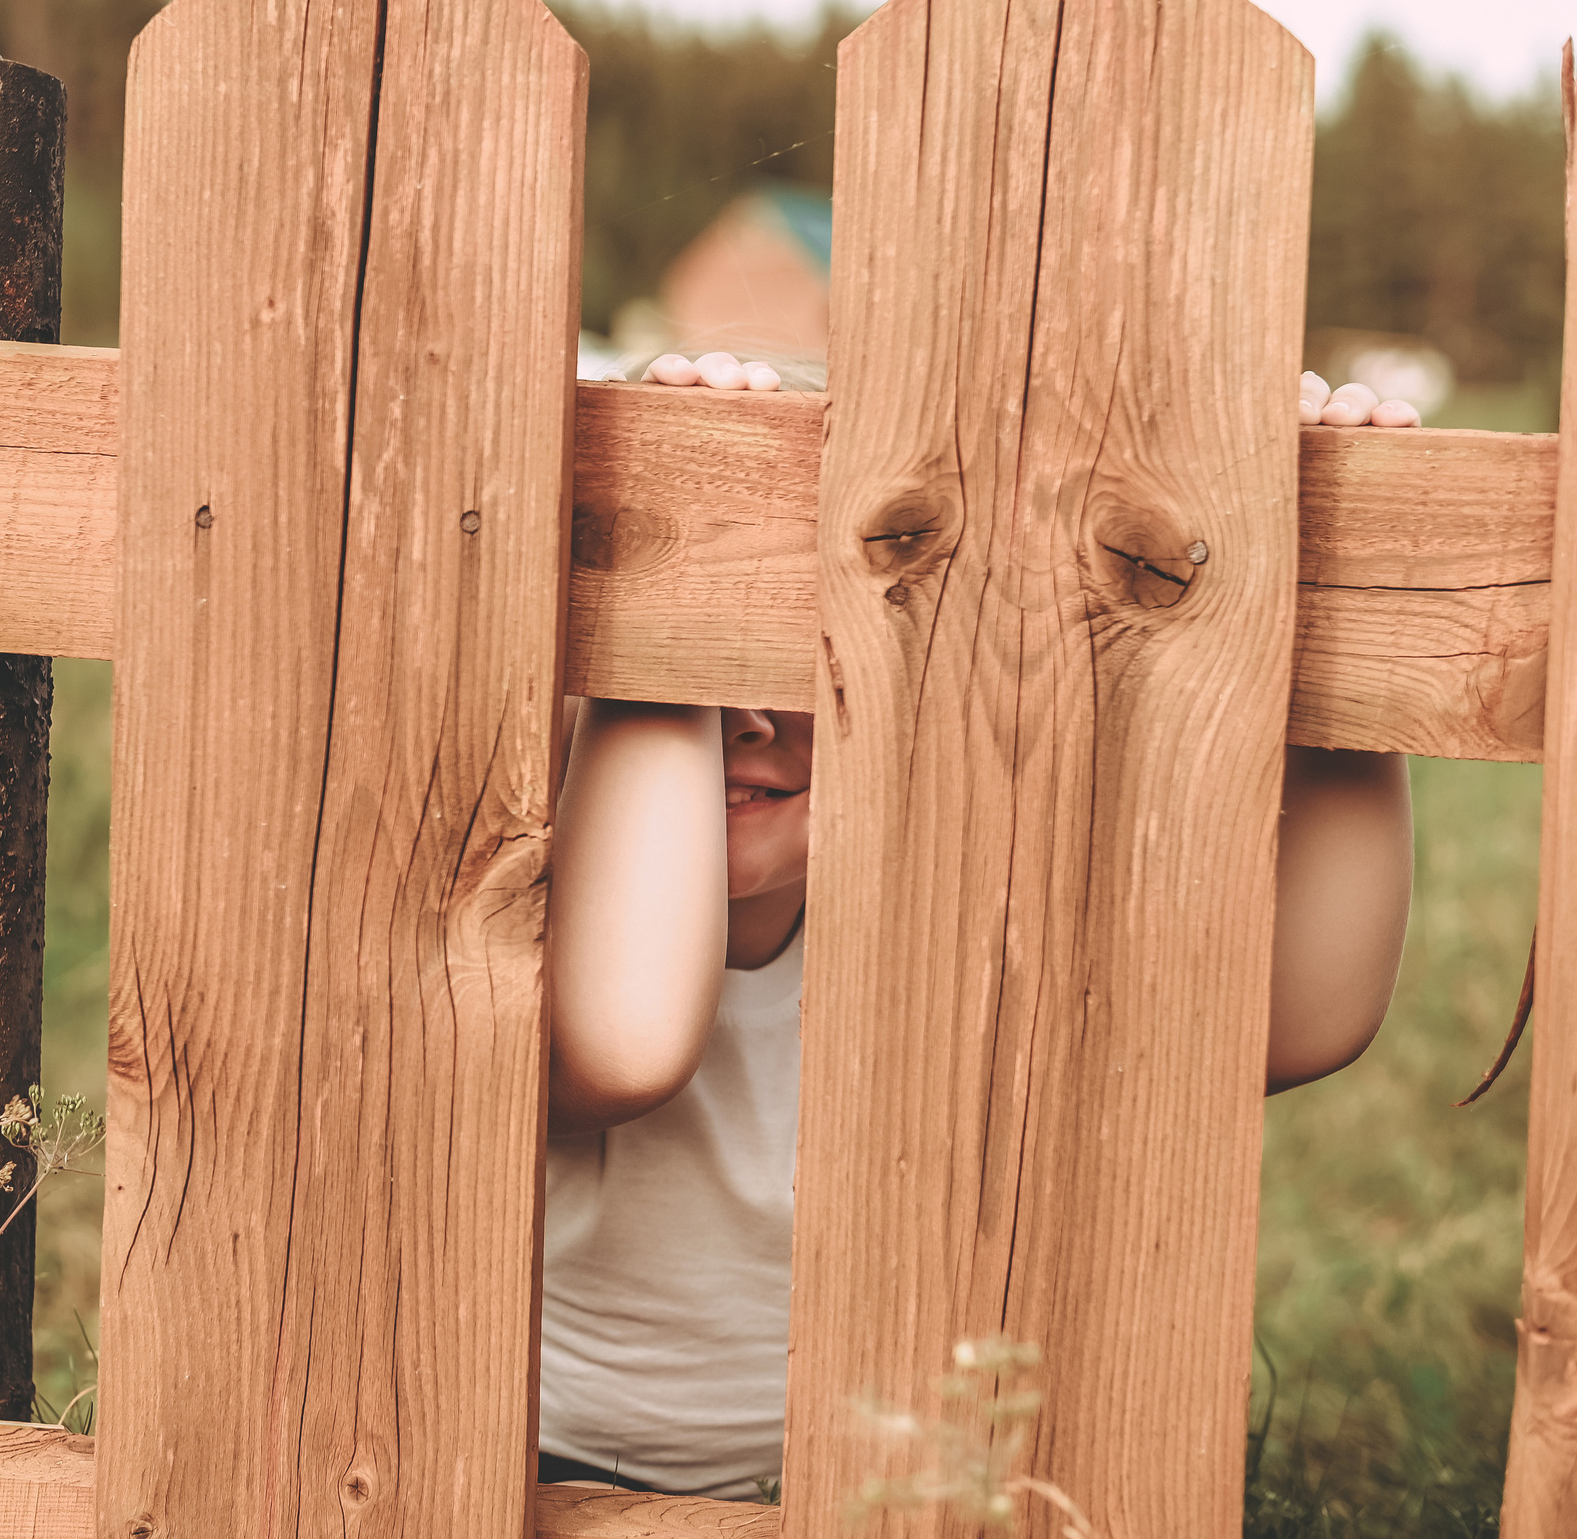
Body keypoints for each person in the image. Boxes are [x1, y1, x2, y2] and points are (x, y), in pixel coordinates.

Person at [536, 361, 1421, 1500]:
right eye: (721, 675)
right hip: (532, 1470)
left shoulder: (951, 910)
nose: (748, 712)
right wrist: (666, 616)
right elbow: (623, 1043)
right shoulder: (524, 917)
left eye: (793, 648)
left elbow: (1293, 1025)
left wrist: (1323, 590)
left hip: (883, 1485)